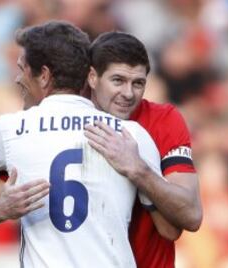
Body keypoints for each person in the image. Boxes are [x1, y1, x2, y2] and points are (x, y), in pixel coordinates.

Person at [0, 21, 166, 268]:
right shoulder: (131, 136)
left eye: (22, 69)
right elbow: (170, 228)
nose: (17, 79)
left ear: (45, 76)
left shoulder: (9, 130)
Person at [84, 31, 203, 268]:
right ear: (92, 77)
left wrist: (138, 170)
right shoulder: (69, 120)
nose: (128, 94)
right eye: (118, 80)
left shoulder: (164, 119)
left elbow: (191, 216)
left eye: (138, 83)